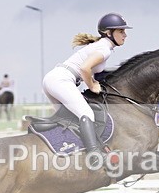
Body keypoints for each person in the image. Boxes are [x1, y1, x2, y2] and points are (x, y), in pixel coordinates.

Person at [42, 12, 131, 164]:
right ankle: (94, 155)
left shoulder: (100, 46)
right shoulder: (104, 50)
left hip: (53, 79)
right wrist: (92, 86)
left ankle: (69, 154)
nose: (125, 35)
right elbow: (84, 69)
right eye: (121, 31)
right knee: (86, 113)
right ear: (108, 33)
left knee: (69, 120)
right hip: (61, 80)